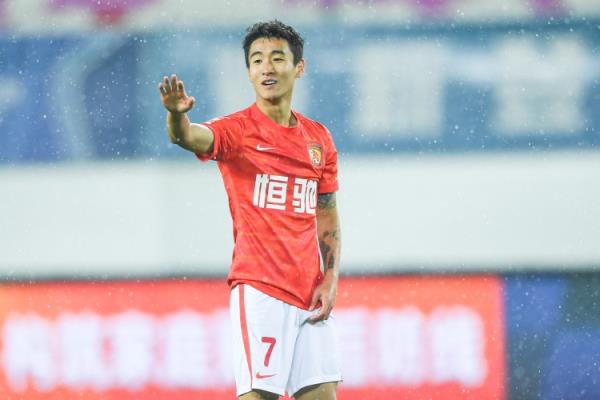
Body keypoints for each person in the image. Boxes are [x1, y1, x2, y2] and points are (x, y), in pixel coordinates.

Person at [158, 20, 341, 400]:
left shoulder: (318, 138)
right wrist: (177, 116)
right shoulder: (237, 131)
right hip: (261, 290)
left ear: (299, 67)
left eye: (277, 58)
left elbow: (326, 211)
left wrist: (330, 278)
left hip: (310, 293)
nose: (266, 68)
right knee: (259, 395)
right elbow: (188, 137)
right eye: (257, 60)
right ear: (248, 72)